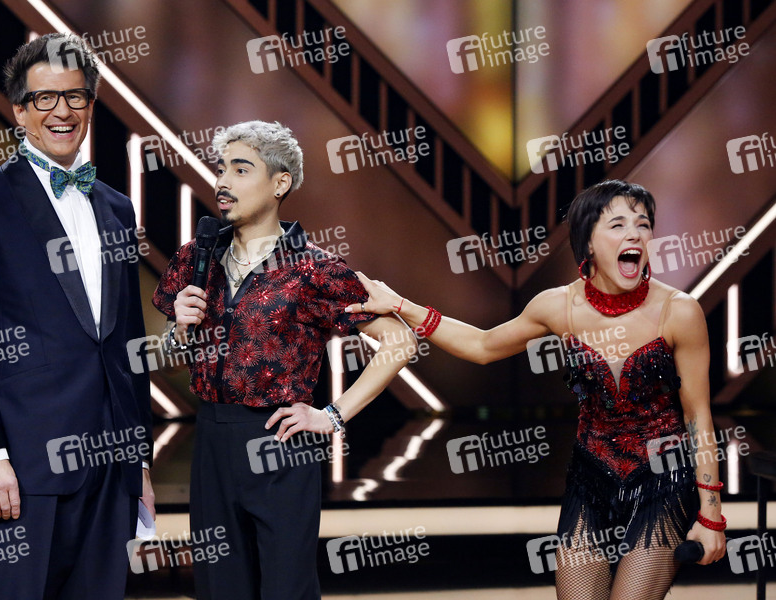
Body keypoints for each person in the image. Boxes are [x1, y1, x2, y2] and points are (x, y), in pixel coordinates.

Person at [346, 180, 727, 599]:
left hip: (662, 481)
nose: (635, 234)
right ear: (588, 243)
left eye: (643, 224)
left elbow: (698, 416)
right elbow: (482, 346)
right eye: (618, 225)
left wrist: (711, 514)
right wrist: (401, 305)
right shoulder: (557, 306)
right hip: (590, 477)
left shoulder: (680, 312)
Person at [152, 120, 415, 600]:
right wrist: (179, 330)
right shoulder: (196, 257)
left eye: (241, 169)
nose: (222, 181)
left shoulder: (313, 268)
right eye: (221, 168)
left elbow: (400, 341)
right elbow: (173, 352)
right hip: (210, 437)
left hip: (279, 440)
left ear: (280, 183)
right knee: (218, 588)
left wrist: (332, 416)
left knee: (285, 589)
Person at [0, 33, 154, 599]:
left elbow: (126, 341)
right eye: (44, 98)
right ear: (19, 110)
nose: (62, 111)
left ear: (91, 104)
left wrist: (139, 461)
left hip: (112, 468)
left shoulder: (117, 207)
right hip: (23, 468)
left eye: (75, 97)